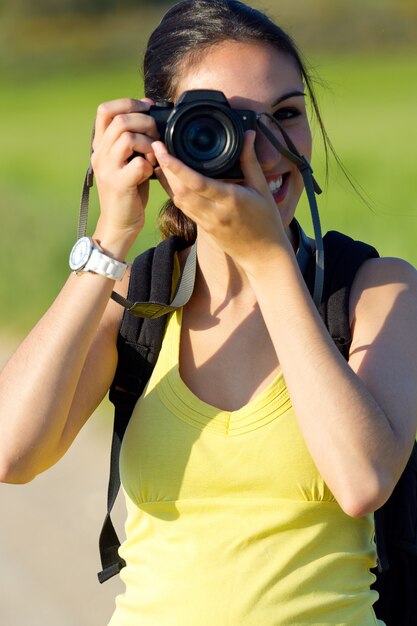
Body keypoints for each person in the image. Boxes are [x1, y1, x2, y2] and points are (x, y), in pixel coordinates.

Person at [1, 0, 417, 624]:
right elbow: (12, 454)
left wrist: (271, 262)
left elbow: (362, 481)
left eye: (286, 114)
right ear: (160, 135)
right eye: (220, 122)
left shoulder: (375, 291)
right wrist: (111, 239)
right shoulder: (138, 300)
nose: (262, 148)